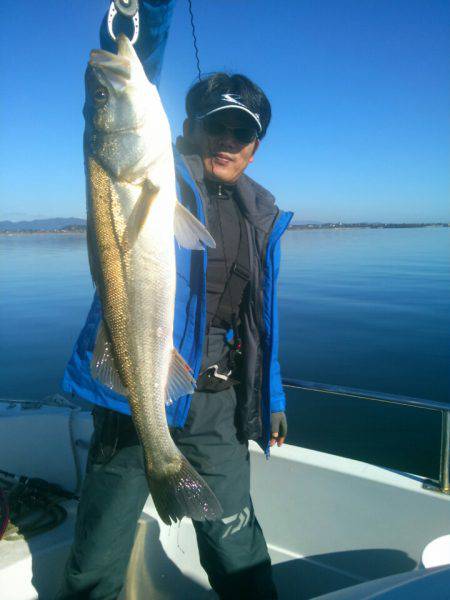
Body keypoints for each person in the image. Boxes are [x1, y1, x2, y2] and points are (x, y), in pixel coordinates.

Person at [58, 2, 292, 599]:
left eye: (243, 131)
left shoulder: (260, 217)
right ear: (184, 127)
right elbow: (129, 61)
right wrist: (147, 9)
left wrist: (273, 397)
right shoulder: (160, 174)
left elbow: (257, 321)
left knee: (240, 554)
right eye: (216, 124)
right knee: (97, 559)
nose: (228, 140)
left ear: (256, 145)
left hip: (216, 400)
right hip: (131, 391)